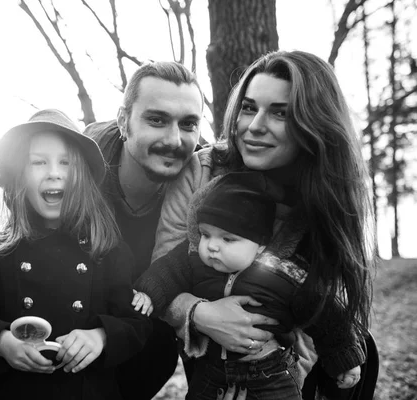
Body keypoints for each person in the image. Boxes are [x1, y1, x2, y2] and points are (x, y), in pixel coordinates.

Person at [137, 50, 376, 399]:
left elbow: (317, 309)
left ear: (314, 123)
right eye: (249, 107)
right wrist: (200, 314)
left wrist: (277, 373)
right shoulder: (202, 171)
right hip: (207, 361)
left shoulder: (326, 198)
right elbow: (168, 265)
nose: (254, 125)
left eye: (280, 112)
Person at [0, 109, 152, 399]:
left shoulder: (106, 248)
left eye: (65, 163)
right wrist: (3, 342)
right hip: (13, 390)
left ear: (81, 176)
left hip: (86, 390)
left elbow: (136, 324)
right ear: (19, 176)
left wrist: (100, 336)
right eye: (39, 162)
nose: (53, 172)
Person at [134, 170, 364, 399]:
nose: (212, 246)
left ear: (261, 244)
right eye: (205, 234)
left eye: (227, 239)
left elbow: (325, 313)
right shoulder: (193, 260)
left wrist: (344, 359)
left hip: (270, 374)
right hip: (211, 371)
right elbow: (164, 273)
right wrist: (148, 293)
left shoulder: (283, 272)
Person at [83, 60, 210, 400]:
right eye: (156, 119)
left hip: (153, 339)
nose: (174, 139)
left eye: (188, 124)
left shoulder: (209, 180)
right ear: (124, 120)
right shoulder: (79, 168)